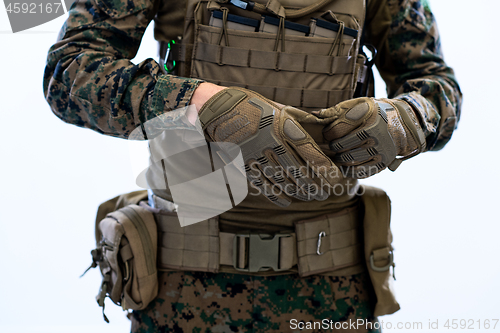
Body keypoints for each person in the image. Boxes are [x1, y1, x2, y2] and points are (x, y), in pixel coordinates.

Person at [43, 0, 462, 331]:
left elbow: (437, 87)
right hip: (182, 290)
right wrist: (198, 104)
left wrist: (408, 119)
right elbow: (69, 72)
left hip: (334, 290)